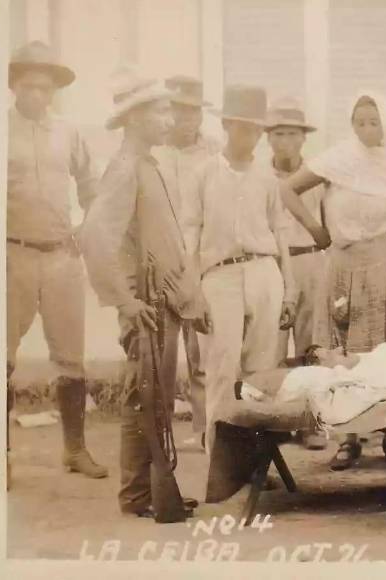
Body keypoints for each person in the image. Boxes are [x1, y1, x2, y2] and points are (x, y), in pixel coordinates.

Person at [279, 91, 386, 472]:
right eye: (359, 122)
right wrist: (316, 229)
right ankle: (348, 438)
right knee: (343, 353)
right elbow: (287, 190)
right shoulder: (337, 159)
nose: (366, 129)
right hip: (342, 265)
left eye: (373, 122)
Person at [82, 69, 205, 519]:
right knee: (143, 397)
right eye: (160, 110)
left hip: (164, 302)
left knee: (152, 398)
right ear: (134, 118)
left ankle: (144, 492)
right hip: (145, 306)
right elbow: (94, 235)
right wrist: (124, 301)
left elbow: (164, 241)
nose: (169, 118)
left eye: (170, 109)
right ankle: (137, 496)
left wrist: (191, 299)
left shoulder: (148, 164)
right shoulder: (126, 168)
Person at [6, 41, 106, 479]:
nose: (38, 97)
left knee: (70, 359)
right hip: (12, 255)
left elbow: (90, 185)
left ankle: (75, 449)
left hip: (61, 255)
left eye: (45, 89)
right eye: (29, 87)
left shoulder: (68, 132)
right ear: (14, 87)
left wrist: (87, 228)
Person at [183, 84, 296, 454]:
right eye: (243, 127)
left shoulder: (266, 177)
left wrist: (289, 287)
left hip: (264, 273)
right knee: (221, 368)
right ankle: (221, 460)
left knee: (261, 373)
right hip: (219, 277)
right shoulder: (203, 174)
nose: (251, 136)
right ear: (227, 125)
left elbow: (280, 235)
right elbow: (190, 237)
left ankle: (256, 460)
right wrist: (193, 292)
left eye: (256, 129)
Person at [158, 74, 220, 450]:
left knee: (201, 352)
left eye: (192, 111)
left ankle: (204, 431)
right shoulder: (155, 152)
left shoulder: (214, 151)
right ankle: (160, 433)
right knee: (161, 353)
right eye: (178, 110)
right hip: (161, 259)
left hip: (198, 259)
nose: (185, 119)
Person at [264, 96, 329, 451]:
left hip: (309, 261)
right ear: (268, 139)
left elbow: (327, 225)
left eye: (291, 134)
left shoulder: (317, 177)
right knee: (271, 346)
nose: (285, 142)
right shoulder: (260, 177)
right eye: (277, 134)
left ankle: (310, 422)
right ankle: (274, 424)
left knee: (310, 345)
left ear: (303, 139)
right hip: (273, 265)